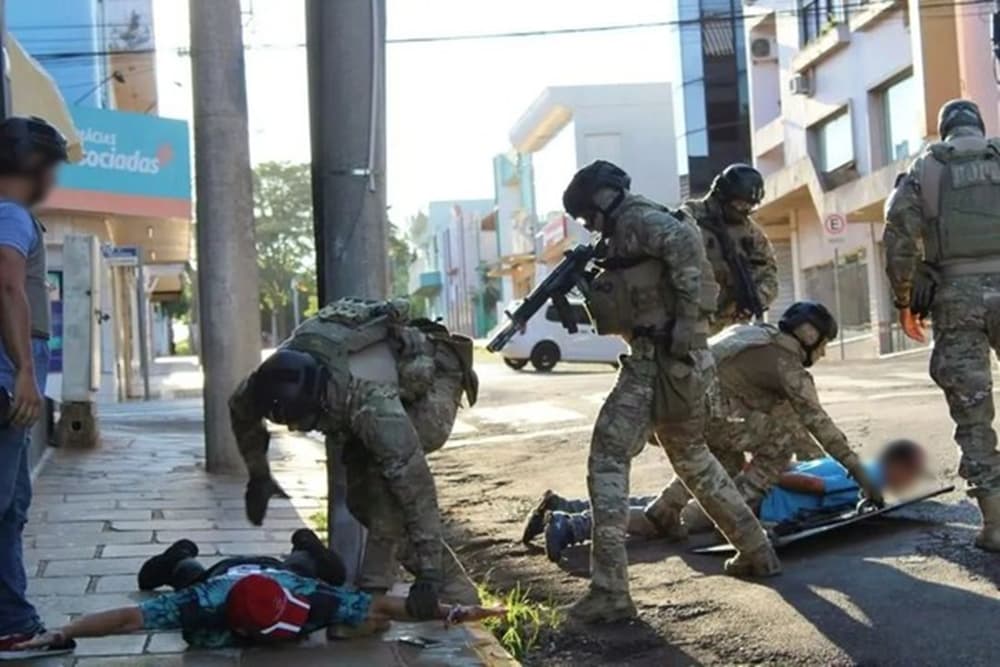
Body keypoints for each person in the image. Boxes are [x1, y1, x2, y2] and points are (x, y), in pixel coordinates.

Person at [559, 160, 780, 624]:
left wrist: (684, 324)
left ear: (600, 198)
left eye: (585, 216)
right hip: (678, 360)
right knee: (695, 460)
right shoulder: (626, 227)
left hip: (660, 361)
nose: (589, 225)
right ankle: (757, 550)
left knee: (608, 455)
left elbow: (683, 245)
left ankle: (611, 591)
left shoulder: (639, 218)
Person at [229, 298, 480, 625]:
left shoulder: (368, 403)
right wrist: (259, 475)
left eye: (306, 422)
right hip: (371, 383)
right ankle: (393, 595)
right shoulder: (265, 382)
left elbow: (416, 490)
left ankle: (392, 595)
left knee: (382, 492)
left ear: (321, 399)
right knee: (361, 500)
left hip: (434, 378)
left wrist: (428, 574)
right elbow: (241, 412)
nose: (297, 429)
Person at [8, 530, 504, 655]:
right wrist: (60, 633)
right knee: (187, 570)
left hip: (278, 572)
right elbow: (124, 620)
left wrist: (455, 611)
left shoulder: (308, 599)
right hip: (220, 575)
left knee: (309, 566)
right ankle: (176, 555)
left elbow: (384, 606)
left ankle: (305, 546)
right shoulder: (202, 605)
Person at [884, 98, 1000, 551]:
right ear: (978, 125)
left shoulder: (926, 168)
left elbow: (898, 238)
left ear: (944, 129)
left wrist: (905, 300)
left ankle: (994, 524)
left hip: (957, 298)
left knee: (974, 411)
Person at [534, 439, 927, 561]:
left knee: (665, 505)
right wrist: (759, 471)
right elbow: (812, 486)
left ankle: (567, 506)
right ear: (897, 466)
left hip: (749, 486)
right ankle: (571, 527)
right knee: (670, 522)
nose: (907, 483)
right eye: (909, 474)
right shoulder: (866, 476)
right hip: (753, 499)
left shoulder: (850, 459)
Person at [0, 117, 68, 652]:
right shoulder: (9, 215)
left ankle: (13, 622)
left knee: (13, 502)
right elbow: (6, 282)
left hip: (12, 367)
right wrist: (23, 369)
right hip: (7, 370)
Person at [682, 163, 779, 333]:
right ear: (723, 195)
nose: (745, 210)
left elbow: (769, 276)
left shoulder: (751, 233)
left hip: (730, 323)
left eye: (750, 205)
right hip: (689, 319)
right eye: (740, 204)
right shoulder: (689, 218)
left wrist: (755, 300)